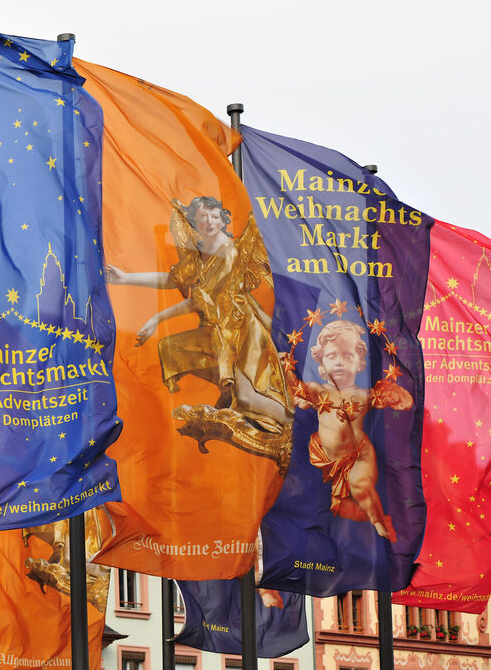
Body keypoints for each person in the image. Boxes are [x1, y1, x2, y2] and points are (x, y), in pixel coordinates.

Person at [105, 196, 291, 468]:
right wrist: (125, 279)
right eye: (203, 217)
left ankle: (293, 424)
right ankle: (229, 390)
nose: (209, 222)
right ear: (195, 221)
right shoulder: (200, 251)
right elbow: (175, 278)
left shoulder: (231, 254)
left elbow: (198, 299)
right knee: (171, 347)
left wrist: (157, 317)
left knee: (250, 397)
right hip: (217, 330)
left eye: (214, 216)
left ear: (223, 219)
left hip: (239, 330)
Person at [283, 319, 411, 541]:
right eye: (332, 356)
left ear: (359, 362)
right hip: (330, 459)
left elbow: (394, 397)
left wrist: (394, 395)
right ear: (321, 361)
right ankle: (380, 518)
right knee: (340, 508)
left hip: (361, 452)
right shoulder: (318, 390)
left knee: (361, 487)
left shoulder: (363, 395)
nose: (339, 362)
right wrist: (286, 368)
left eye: (347, 356)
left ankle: (379, 522)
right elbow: (295, 390)